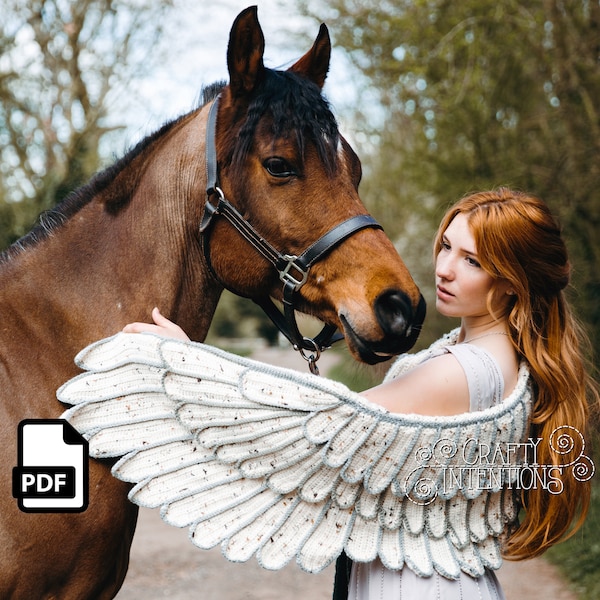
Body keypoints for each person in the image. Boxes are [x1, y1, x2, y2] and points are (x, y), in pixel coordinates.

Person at [106, 188, 597, 598]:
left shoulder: (461, 370)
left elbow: (325, 430)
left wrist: (188, 362)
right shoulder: (496, 354)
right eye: (446, 246)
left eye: (471, 260)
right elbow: (364, 429)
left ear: (513, 281)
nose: (444, 268)